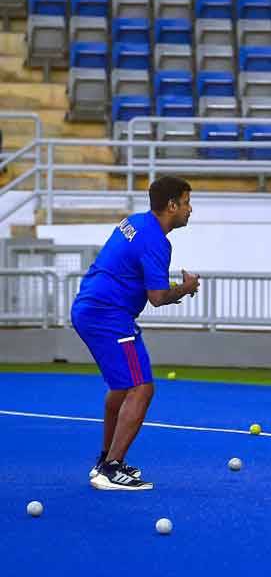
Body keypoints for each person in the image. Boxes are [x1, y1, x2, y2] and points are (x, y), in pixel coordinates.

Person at [71, 176, 199, 491]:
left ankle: (105, 461)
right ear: (171, 205)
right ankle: (111, 468)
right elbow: (156, 297)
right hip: (108, 315)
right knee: (141, 388)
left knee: (122, 388)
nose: (190, 209)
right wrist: (185, 287)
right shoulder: (156, 240)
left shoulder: (135, 222)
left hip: (93, 307)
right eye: (186, 202)